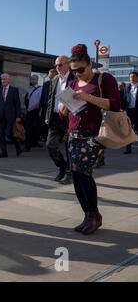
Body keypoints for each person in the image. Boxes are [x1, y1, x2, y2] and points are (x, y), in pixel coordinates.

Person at [59, 44, 121, 235]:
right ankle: (87, 215)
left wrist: (87, 97)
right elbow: (63, 114)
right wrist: (65, 106)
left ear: (90, 64)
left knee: (83, 172)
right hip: (73, 134)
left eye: (80, 70)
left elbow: (116, 104)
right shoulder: (72, 84)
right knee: (76, 175)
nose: (77, 74)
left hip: (94, 135)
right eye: (73, 71)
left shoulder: (104, 79)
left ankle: (94, 215)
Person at [45, 56, 75, 184]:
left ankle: (69, 173)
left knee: (70, 147)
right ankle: (62, 167)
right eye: (56, 65)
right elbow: (51, 99)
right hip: (55, 118)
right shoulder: (55, 79)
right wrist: (47, 115)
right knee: (50, 145)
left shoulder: (75, 78)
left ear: (68, 64)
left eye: (60, 65)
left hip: (70, 118)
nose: (57, 67)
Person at [0, 74, 22, 158]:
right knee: (1, 134)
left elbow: (17, 104)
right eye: (2, 79)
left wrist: (18, 116)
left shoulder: (14, 90)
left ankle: (18, 147)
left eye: (4, 79)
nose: (3, 81)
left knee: (9, 134)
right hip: (1, 116)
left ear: (8, 80)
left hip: (11, 116)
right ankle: (4, 152)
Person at [24, 75, 43, 151]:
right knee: (28, 128)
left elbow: (40, 101)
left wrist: (32, 108)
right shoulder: (30, 89)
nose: (32, 80)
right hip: (29, 111)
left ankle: (35, 142)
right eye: (31, 79)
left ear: (37, 80)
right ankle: (27, 146)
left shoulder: (40, 89)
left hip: (36, 111)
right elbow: (28, 99)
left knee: (36, 128)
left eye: (33, 79)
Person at [39, 69, 57, 141]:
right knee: (44, 124)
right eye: (49, 74)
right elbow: (42, 96)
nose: (50, 75)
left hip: (54, 108)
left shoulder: (58, 83)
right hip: (45, 107)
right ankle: (45, 137)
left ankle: (52, 138)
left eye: (51, 74)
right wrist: (40, 108)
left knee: (52, 124)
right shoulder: (46, 84)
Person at [124, 72, 138, 154]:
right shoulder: (127, 87)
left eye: (133, 76)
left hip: (137, 111)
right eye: (130, 77)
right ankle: (128, 149)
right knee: (128, 131)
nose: (131, 78)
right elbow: (124, 100)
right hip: (129, 111)